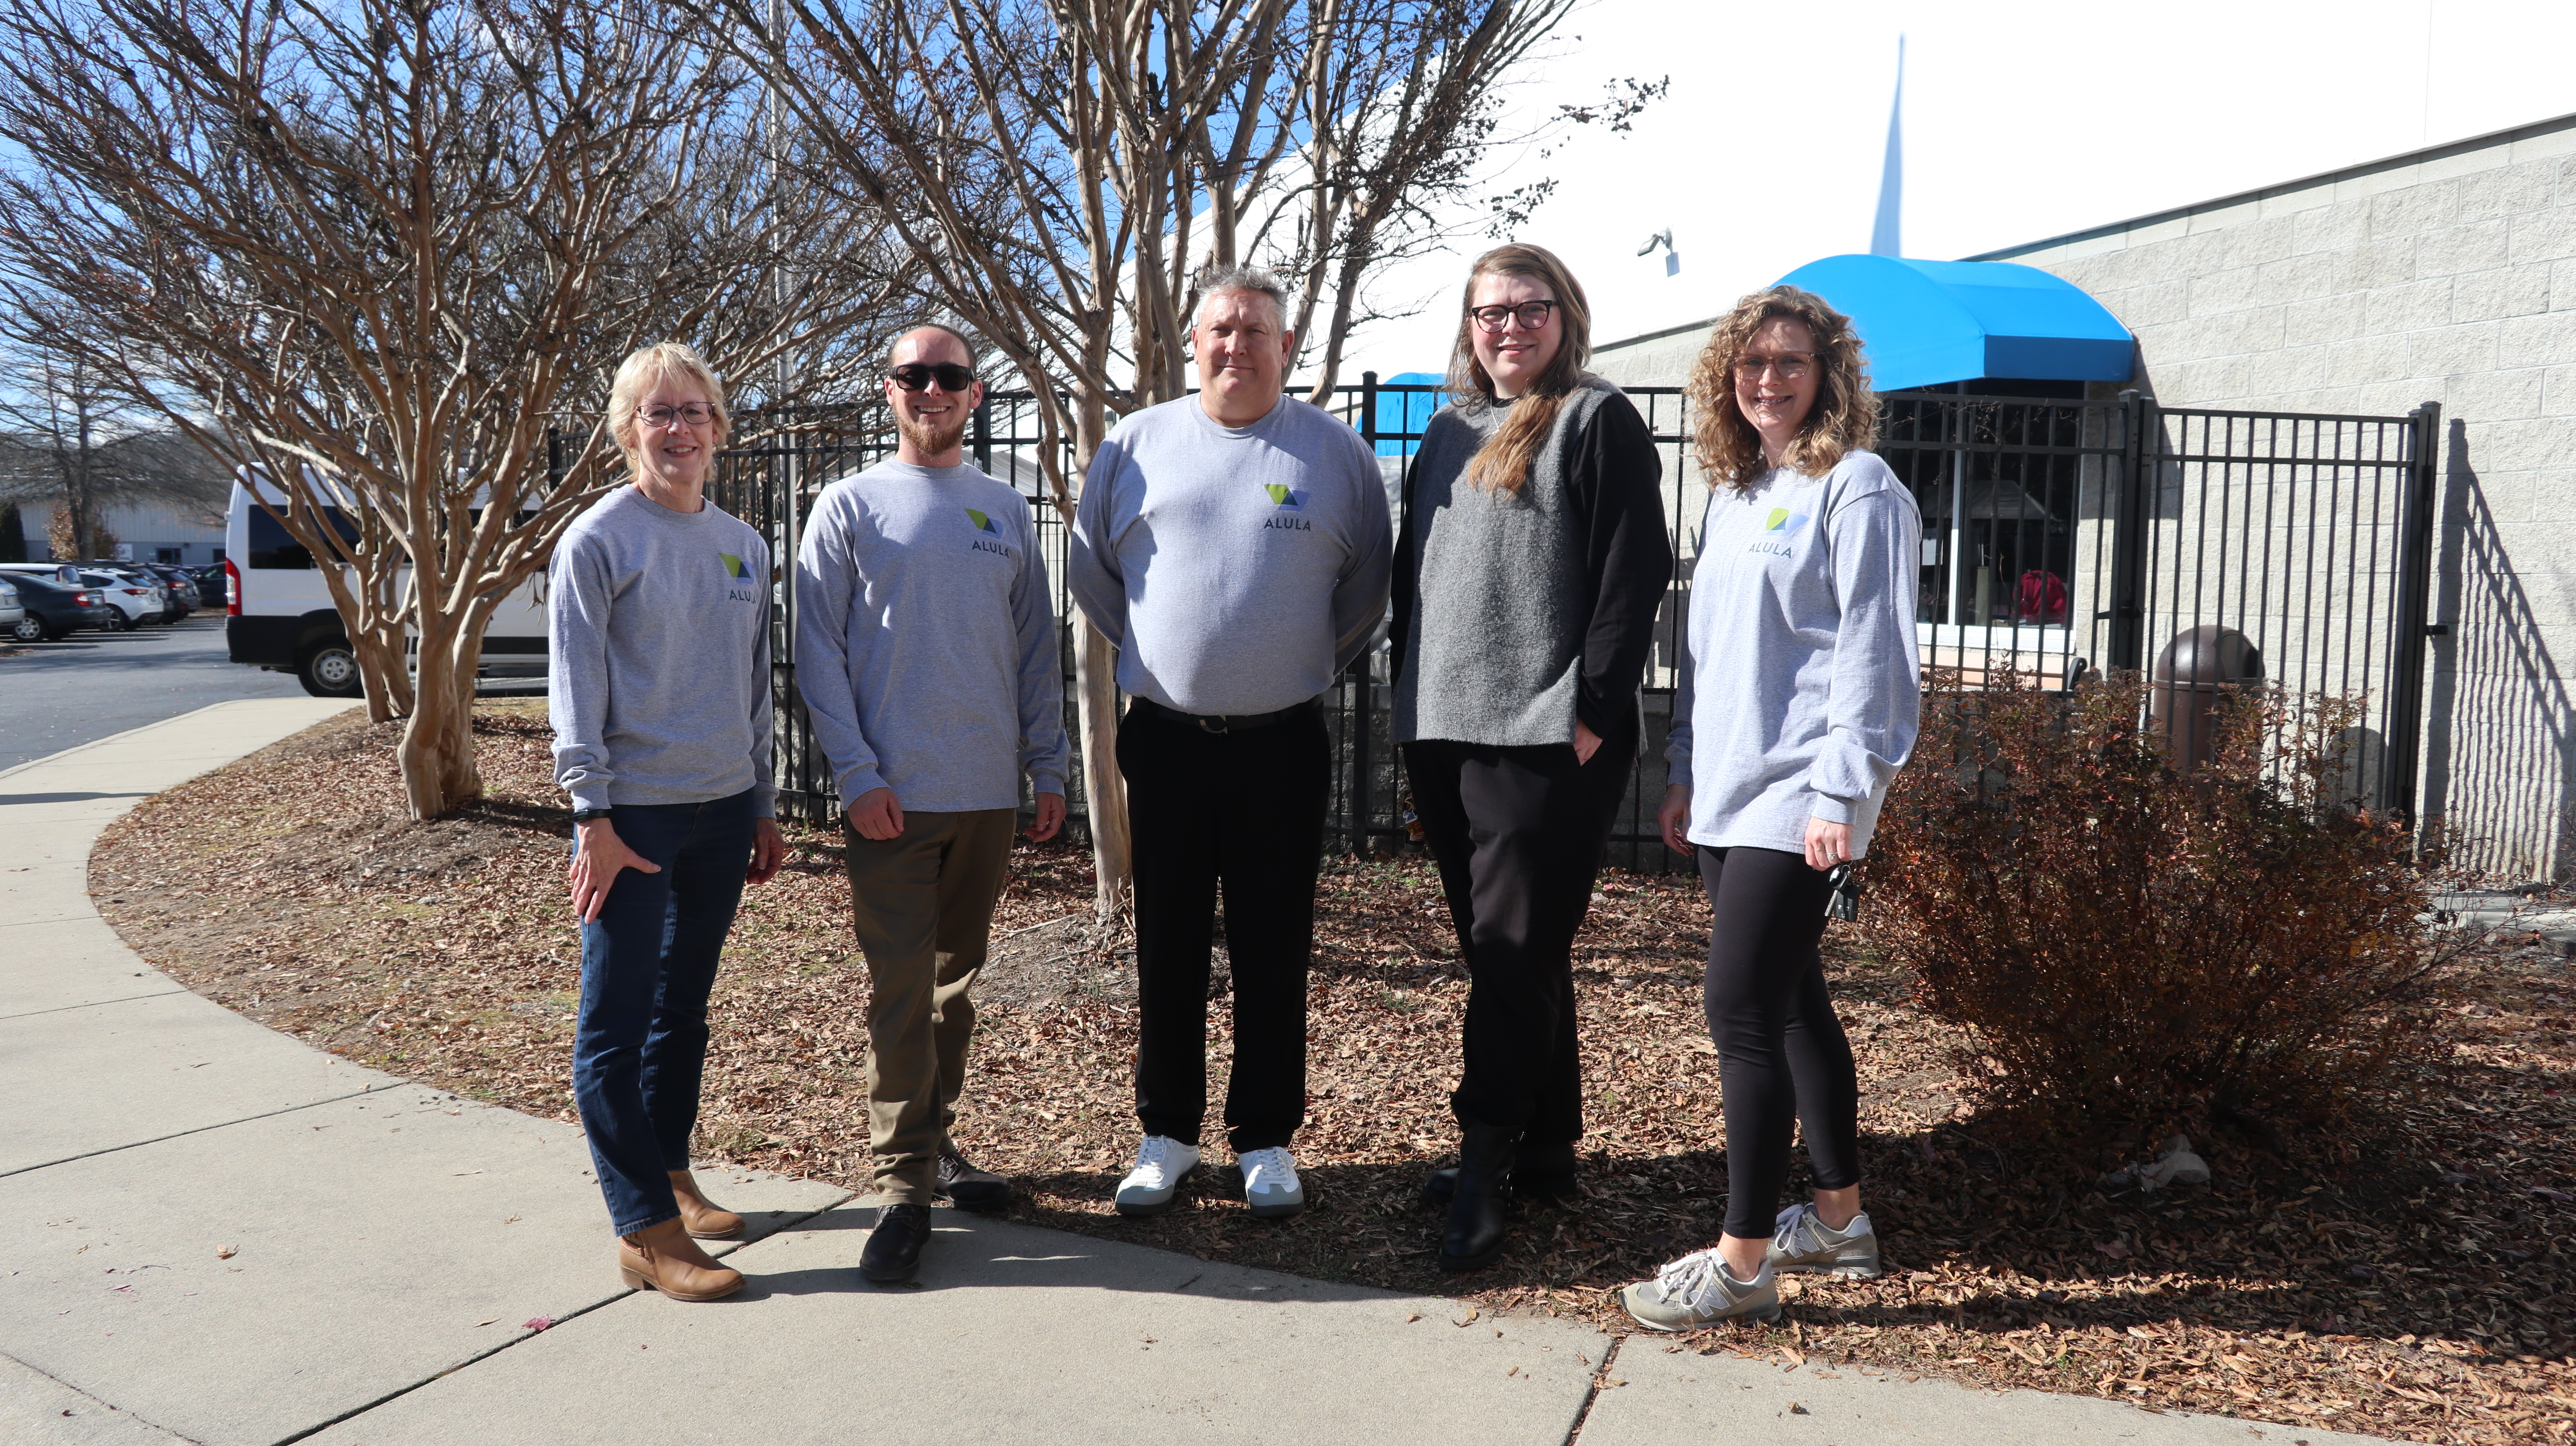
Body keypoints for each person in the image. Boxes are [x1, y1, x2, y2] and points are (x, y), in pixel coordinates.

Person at [1619, 286, 1921, 1330]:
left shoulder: (1859, 486)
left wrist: (1843, 790)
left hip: (1800, 796)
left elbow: (1876, 655)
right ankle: (1837, 1221)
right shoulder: (1737, 492)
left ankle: (1743, 1265)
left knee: (1740, 1011)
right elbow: (1709, 654)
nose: (1768, 379)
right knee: (1793, 1003)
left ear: (1828, 374)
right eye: (1751, 363)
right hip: (1728, 792)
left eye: (1791, 361)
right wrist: (1685, 768)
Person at [1068, 264, 1391, 1221]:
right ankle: (1166, 1134)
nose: (1237, 345)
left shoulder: (1336, 454)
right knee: (1166, 939)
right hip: (1166, 744)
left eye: (1256, 331)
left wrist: (1282, 663)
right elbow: (1096, 578)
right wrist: (1167, 660)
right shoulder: (1134, 445)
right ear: (1194, 343)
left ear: (1285, 346)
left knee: (1273, 943)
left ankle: (1265, 1138)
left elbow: (1365, 591)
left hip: (1281, 746)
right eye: (1221, 329)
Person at [1389, 243, 1671, 1272]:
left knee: (1511, 949)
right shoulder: (1449, 429)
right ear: (1469, 329)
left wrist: (1592, 708)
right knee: (1509, 950)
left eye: (1528, 307)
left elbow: (1637, 567)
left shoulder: (1596, 419)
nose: (1508, 326)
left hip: (1546, 735)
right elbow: (1415, 573)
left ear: (1565, 315)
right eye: (1489, 312)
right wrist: (1409, 695)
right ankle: (1546, 1145)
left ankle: (1483, 1159)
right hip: (1444, 725)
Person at [794, 324, 1069, 1285]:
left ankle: (935, 1143)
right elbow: (818, 650)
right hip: (893, 799)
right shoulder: (849, 504)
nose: (932, 389)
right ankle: (903, 1185)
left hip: (987, 794)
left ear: (976, 394)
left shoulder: (1004, 508)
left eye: (950, 375)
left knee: (955, 989)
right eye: (914, 375)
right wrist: (857, 774)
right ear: (890, 389)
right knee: (903, 990)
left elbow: (1035, 647)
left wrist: (1048, 765)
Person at [550, 340, 787, 1303]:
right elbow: (575, 689)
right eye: (658, 412)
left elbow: (753, 686)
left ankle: (673, 1173)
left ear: (718, 429)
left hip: (723, 811)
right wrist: (592, 815)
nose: (678, 428)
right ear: (628, 431)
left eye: (693, 411)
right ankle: (643, 1226)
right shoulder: (599, 541)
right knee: (614, 1022)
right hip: (634, 820)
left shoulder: (744, 545)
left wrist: (761, 800)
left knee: (682, 1008)